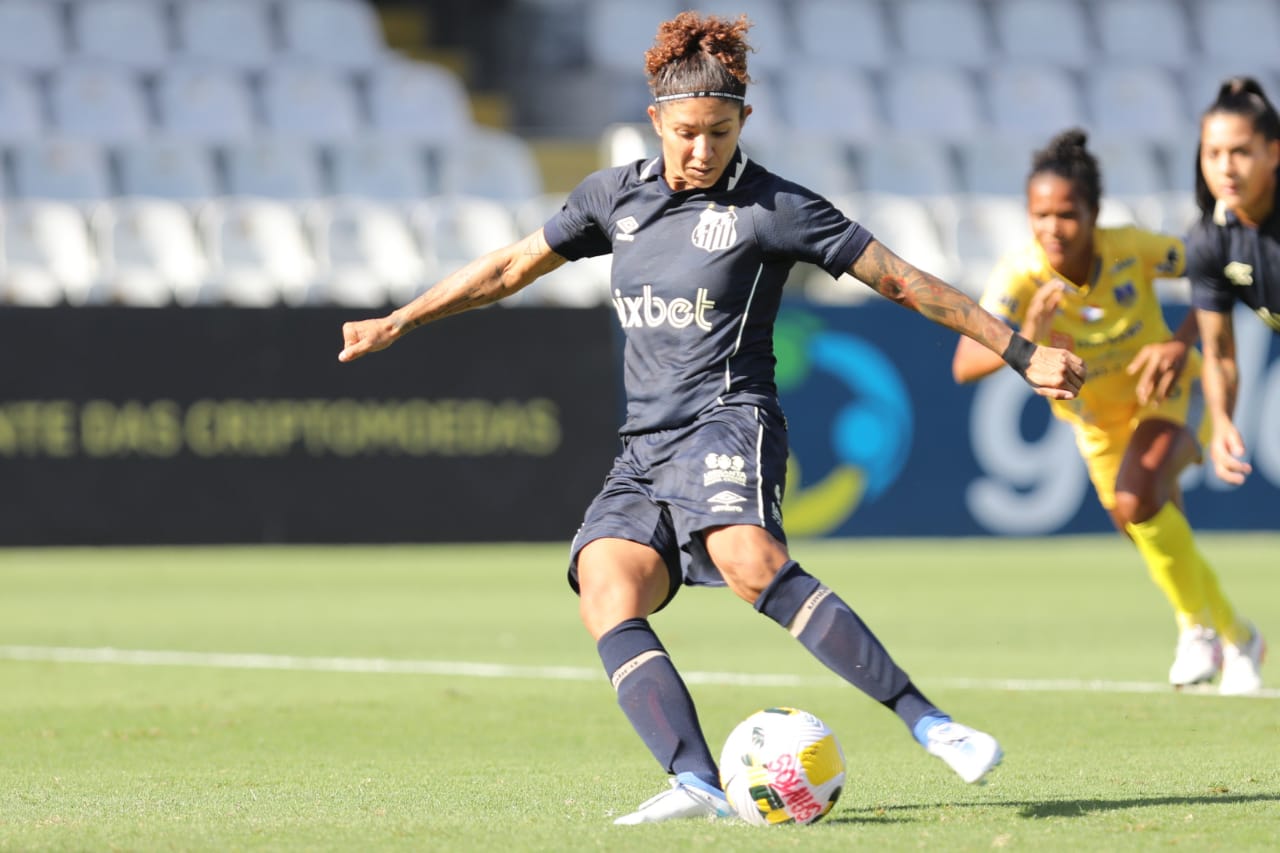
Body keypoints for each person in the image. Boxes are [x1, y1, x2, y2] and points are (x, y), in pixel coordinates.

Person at [340, 13, 1084, 824]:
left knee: (747, 560)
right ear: (656, 120)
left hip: (730, 419)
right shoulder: (612, 198)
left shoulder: (776, 207)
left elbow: (903, 281)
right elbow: (510, 267)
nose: (702, 150)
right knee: (604, 585)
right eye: (687, 132)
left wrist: (1019, 350)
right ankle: (696, 781)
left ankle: (931, 723)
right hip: (644, 448)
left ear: (744, 123)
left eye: (720, 132)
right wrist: (400, 319)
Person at [951, 129, 1264, 697]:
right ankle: (1233, 635)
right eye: (1039, 214)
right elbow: (966, 363)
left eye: (1066, 214)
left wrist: (1180, 342)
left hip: (1163, 394)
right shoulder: (1022, 274)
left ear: (1094, 214)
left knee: (1136, 498)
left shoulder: (1132, 248)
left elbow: (1217, 267)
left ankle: (1203, 633)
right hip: (1096, 425)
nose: (1052, 228)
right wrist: (1026, 337)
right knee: (1146, 526)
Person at [1187, 76, 1280, 488]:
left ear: (1274, 152)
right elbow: (1220, 353)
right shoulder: (1210, 239)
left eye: (1240, 152)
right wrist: (1222, 422)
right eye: (1213, 153)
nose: (1225, 167)